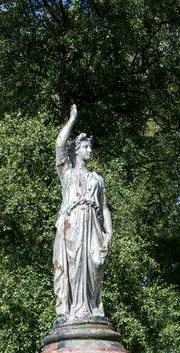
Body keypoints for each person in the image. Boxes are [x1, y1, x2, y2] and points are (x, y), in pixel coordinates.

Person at [53, 103, 113, 320]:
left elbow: (104, 208)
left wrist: (109, 233)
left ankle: (92, 308)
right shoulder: (67, 174)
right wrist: (71, 120)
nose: (90, 151)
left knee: (95, 265)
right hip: (73, 224)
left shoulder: (97, 179)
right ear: (77, 149)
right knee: (75, 267)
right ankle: (76, 311)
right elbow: (59, 145)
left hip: (94, 226)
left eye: (90, 147)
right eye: (86, 147)